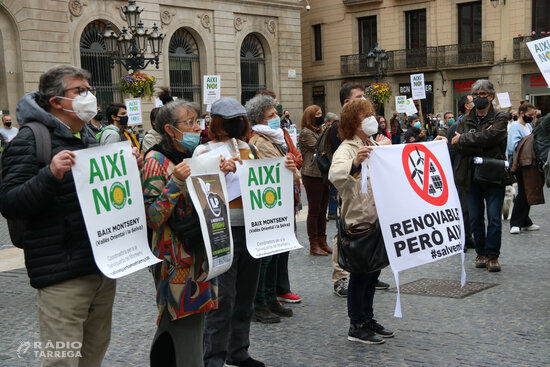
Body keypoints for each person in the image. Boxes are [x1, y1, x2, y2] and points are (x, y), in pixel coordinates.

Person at [0, 65, 143, 366]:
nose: (89, 96)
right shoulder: (29, 140)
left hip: (101, 268)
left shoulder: (88, 136)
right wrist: (49, 175)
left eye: (89, 89)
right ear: (56, 101)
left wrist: (131, 171)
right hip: (61, 275)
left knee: (92, 357)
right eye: (80, 91)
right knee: (62, 361)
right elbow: (10, 203)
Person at [143, 99, 237, 366]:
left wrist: (224, 173)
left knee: (191, 321)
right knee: (180, 319)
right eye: (190, 123)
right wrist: (175, 182)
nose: (198, 128)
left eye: (198, 121)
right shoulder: (155, 161)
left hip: (201, 252)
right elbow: (152, 216)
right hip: (174, 259)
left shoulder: (196, 157)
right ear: (171, 130)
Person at [193, 98, 265, 367]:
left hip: (252, 227)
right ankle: (213, 357)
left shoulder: (250, 149)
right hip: (221, 230)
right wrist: (219, 171)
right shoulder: (203, 151)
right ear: (218, 123)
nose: (237, 124)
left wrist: (286, 168)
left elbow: (262, 180)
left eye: (241, 119)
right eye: (231, 120)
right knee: (223, 297)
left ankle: (239, 350)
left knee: (246, 293)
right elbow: (199, 188)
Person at [328, 98, 394, 345]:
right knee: (359, 274)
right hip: (359, 218)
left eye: (372, 113)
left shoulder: (373, 142)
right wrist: (355, 161)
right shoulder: (347, 148)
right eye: (366, 114)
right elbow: (335, 175)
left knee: (373, 272)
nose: (372, 118)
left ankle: (368, 318)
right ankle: (356, 324)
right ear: (353, 121)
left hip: (377, 216)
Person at [245, 94, 298, 323]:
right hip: (267, 206)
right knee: (265, 258)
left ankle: (270, 299)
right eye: (272, 115)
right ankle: (259, 303)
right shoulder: (260, 141)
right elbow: (279, 172)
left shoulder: (274, 138)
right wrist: (291, 168)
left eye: (276, 113)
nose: (277, 117)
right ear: (259, 119)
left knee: (275, 256)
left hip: (278, 204)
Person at [452, 79, 508, 272]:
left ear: (491, 97)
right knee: (475, 218)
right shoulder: (464, 120)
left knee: (493, 218)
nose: (478, 98)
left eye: (482, 95)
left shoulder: (500, 117)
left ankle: (493, 256)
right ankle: (481, 253)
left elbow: (494, 137)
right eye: (475, 95)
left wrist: (467, 139)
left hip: (493, 174)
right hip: (470, 175)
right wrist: (479, 139)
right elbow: (457, 144)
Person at [298, 105, 332, 256]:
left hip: (323, 174)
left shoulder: (320, 131)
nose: (320, 116)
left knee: (323, 209)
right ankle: (314, 244)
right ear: (311, 117)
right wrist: (329, 132)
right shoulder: (306, 133)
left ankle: (323, 241)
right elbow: (321, 148)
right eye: (317, 114)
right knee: (314, 210)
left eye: (321, 113)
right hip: (311, 174)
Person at [506, 102, 539, 235]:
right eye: (529, 115)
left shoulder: (529, 125)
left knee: (528, 192)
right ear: (521, 113)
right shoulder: (515, 126)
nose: (531, 117)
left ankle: (525, 221)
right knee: (523, 193)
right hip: (520, 163)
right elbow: (513, 146)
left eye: (533, 115)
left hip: (529, 163)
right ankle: (515, 223)